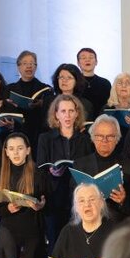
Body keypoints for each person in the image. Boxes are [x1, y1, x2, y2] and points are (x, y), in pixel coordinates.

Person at [37, 94, 93, 249]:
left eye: (71, 111)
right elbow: (40, 167)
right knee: (56, 243)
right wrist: (51, 171)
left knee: (80, 242)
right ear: (56, 114)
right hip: (54, 196)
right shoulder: (45, 139)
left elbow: (89, 166)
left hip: (79, 196)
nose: (67, 115)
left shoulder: (86, 139)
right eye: (63, 111)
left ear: (77, 113)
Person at [72, 115, 130, 221]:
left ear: (117, 139)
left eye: (110, 136)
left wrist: (123, 201)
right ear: (93, 138)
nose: (104, 140)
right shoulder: (80, 165)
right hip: (89, 223)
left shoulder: (129, 166)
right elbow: (73, 201)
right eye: (99, 136)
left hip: (117, 224)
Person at [10, 50, 52, 143]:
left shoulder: (46, 89)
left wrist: (43, 104)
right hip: (17, 133)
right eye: (25, 63)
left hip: (39, 133)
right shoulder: (10, 89)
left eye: (32, 63)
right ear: (18, 67)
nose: (29, 66)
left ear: (36, 67)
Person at [77, 47, 111, 119]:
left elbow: (109, 105)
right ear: (78, 63)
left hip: (102, 123)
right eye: (83, 58)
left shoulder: (105, 83)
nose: (87, 60)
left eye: (91, 57)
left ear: (96, 62)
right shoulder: (74, 83)